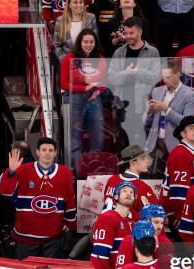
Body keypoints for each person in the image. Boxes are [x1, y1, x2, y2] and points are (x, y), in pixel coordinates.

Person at [0, 138, 76, 259]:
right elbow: (5, 192)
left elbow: (70, 202)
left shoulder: (65, 173)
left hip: (53, 238)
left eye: (51, 150)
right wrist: (12, 171)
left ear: (55, 153)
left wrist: (71, 226)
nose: (47, 153)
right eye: (44, 150)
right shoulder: (22, 169)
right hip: (25, 238)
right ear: (37, 152)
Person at [108, 17, 161, 147]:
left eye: (131, 33)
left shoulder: (152, 52)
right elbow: (111, 77)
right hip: (122, 105)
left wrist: (138, 72)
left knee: (139, 143)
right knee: (123, 143)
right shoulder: (119, 52)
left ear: (140, 32)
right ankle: (126, 167)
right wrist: (125, 73)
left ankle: (139, 167)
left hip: (142, 106)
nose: (128, 36)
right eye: (126, 33)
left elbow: (157, 77)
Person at [60, 29, 106, 167]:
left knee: (98, 137)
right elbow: (63, 83)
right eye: (85, 41)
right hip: (74, 98)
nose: (88, 45)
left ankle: (92, 169)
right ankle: (76, 171)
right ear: (80, 42)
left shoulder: (100, 59)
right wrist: (84, 88)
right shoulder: (69, 58)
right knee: (74, 139)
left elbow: (103, 82)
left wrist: (97, 92)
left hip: (94, 99)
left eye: (91, 42)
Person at [143, 59, 194, 173]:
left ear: (178, 74)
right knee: (152, 181)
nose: (165, 80)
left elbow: (187, 123)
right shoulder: (156, 91)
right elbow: (145, 123)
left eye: (168, 77)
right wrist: (149, 111)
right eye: (163, 77)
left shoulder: (190, 95)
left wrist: (166, 110)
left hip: (176, 146)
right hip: (154, 145)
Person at [161, 116, 194, 233]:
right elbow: (178, 192)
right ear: (183, 134)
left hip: (184, 213)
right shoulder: (182, 154)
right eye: (191, 128)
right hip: (180, 216)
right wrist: (180, 217)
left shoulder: (190, 152)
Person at [114, 204, 173, 269]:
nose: (160, 227)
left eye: (162, 223)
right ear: (145, 221)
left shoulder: (166, 242)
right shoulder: (129, 240)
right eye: (156, 222)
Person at [103, 144, 159, 219]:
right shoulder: (142, 187)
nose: (147, 161)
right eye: (143, 159)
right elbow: (155, 216)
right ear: (132, 163)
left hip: (105, 226)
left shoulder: (112, 180)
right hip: (126, 229)